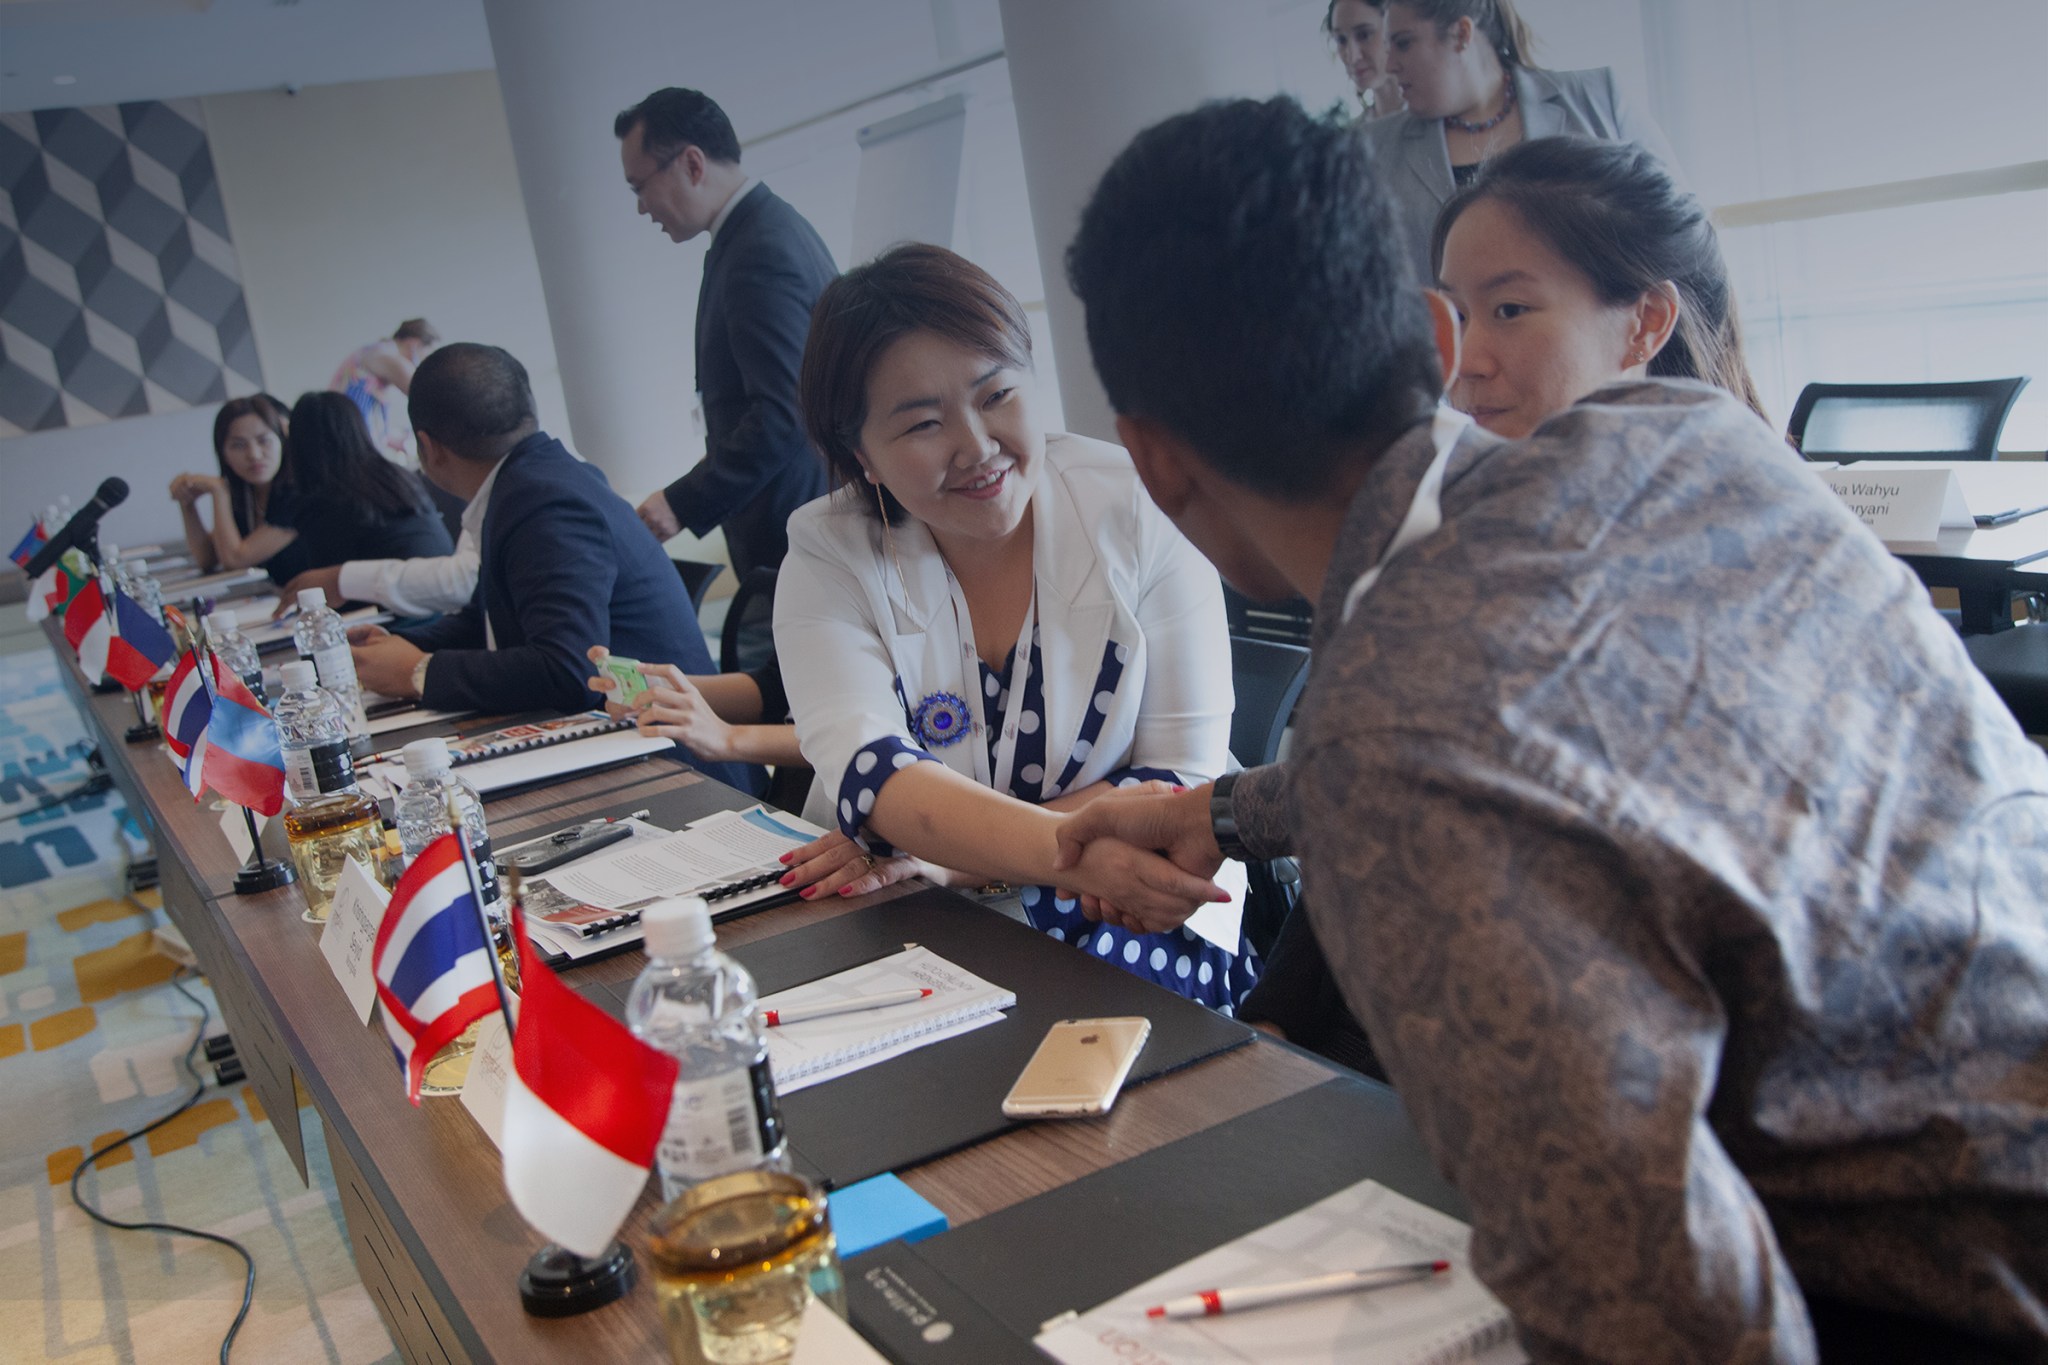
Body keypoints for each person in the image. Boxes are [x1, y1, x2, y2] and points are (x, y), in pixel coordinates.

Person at [1058, 95, 2048, 1360]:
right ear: (1431, 332)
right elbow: (1563, 763)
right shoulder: (1687, 436)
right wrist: (1216, 812)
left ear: (1150, 461)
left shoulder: (1396, 730)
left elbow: (1660, 1316)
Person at [770, 243, 1254, 1008]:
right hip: (912, 911)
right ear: (861, 454)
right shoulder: (827, 554)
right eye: (924, 422)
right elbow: (875, 776)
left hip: (1126, 901)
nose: (977, 445)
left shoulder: (1141, 507)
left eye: (997, 395)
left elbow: (1182, 783)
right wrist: (1049, 848)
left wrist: (958, 856)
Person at [347, 343, 746, 788]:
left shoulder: (543, 501)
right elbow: (492, 620)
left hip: (679, 772)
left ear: (428, 447)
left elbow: (566, 669)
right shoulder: (534, 477)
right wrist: (396, 644)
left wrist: (418, 672)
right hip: (630, 745)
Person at [616, 88, 836, 584]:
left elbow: (785, 413)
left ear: (692, 163)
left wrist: (681, 500)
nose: (641, 207)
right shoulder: (763, 229)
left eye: (639, 187)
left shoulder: (758, 251)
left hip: (796, 532)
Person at [1433, 135, 1769, 438]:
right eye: (1457, 316)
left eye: (1509, 310)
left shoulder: (1738, 501)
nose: (1463, 363)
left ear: (1647, 323)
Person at [1363, 0, 1678, 281]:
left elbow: (1679, 227)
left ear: (1461, 34)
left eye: (1403, 44)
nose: (1389, 65)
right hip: (1445, 346)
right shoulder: (1375, 147)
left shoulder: (1597, 97)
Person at [262, 392, 454, 573]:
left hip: (389, 602)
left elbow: (327, 589)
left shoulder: (324, 502)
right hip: (442, 592)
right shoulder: (397, 477)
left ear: (297, 445)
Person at [169, 394, 312, 585]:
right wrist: (187, 504)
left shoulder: (299, 491)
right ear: (224, 455)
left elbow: (235, 560)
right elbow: (207, 559)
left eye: (264, 440)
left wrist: (219, 492)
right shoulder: (246, 492)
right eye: (238, 445)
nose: (254, 455)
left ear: (282, 442)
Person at [330, 319, 437, 465]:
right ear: (414, 344)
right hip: (348, 447)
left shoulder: (371, 352)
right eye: (426, 354)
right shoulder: (384, 354)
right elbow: (426, 396)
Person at [1324, 0, 1404, 120]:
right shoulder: (1353, 134)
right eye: (1341, 40)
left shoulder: (1436, 119)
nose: (1352, 57)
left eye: (1364, 35)